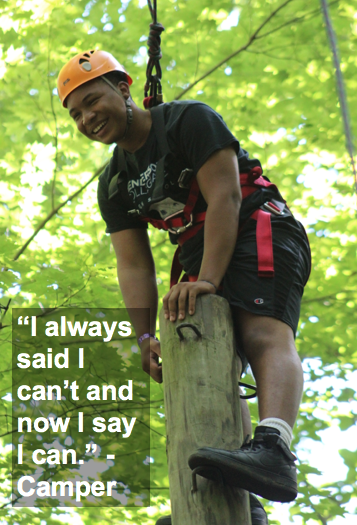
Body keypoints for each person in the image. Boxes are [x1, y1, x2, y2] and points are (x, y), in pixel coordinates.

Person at [57, 49, 311, 524]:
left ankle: (275, 447)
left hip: (256, 224)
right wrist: (142, 338)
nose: (87, 117)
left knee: (259, 334)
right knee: (203, 357)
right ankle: (238, 497)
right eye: (76, 113)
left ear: (123, 88)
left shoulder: (188, 120)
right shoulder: (114, 182)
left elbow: (226, 195)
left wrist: (210, 279)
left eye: (93, 100)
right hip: (197, 252)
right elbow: (133, 265)